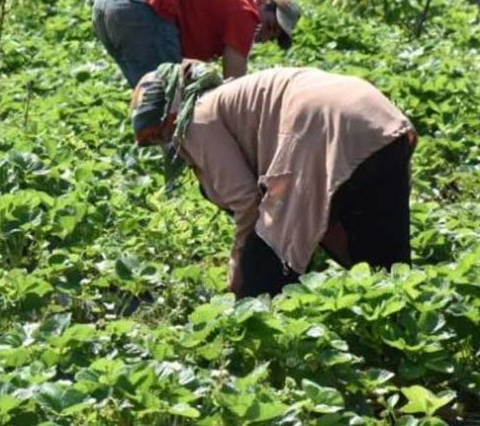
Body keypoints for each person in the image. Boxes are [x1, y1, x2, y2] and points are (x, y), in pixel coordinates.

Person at [130, 60, 416, 298]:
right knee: (387, 267)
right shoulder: (231, 95)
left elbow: (247, 202)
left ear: (171, 113)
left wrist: (239, 272)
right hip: (379, 119)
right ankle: (393, 344)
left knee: (263, 267)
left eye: (159, 133)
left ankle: (263, 344)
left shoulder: (196, 119)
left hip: (320, 126)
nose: (164, 143)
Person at [93, 0, 302, 86]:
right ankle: (179, 156)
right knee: (167, 103)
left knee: (151, 100)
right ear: (262, 2)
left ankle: (167, 153)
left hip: (106, 2)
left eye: (273, 37)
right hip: (141, 2)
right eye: (270, 26)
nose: (264, 35)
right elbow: (235, 89)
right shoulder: (245, 12)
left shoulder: (221, 4)